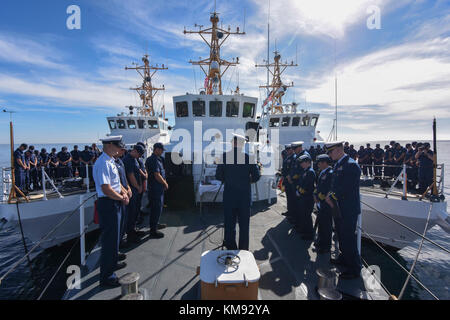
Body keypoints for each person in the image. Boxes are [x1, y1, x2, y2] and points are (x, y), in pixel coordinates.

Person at [93, 136, 129, 288]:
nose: (119, 149)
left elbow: (116, 183)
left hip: (115, 202)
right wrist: (122, 197)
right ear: (108, 145)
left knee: (115, 238)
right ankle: (107, 277)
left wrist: (124, 192)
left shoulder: (111, 161)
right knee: (109, 241)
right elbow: (106, 188)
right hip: (109, 204)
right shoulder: (102, 163)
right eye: (117, 146)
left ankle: (112, 264)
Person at [215, 134, 261, 250]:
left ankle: (231, 250)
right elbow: (256, 176)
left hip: (229, 197)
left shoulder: (224, 157)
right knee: (244, 226)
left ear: (234, 143)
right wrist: (246, 181)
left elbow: (218, 176)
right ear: (242, 144)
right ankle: (244, 251)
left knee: (229, 226)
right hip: (244, 198)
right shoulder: (249, 157)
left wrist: (229, 179)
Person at [325, 141, 362, 279]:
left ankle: (354, 269)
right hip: (338, 208)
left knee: (348, 238)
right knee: (340, 236)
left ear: (340, 149)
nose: (329, 154)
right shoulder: (339, 164)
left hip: (348, 209)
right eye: (328, 152)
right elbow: (335, 184)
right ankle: (344, 258)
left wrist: (332, 196)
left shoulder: (351, 165)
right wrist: (331, 195)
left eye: (331, 151)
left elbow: (347, 187)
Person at [123, 145, 146, 244]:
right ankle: (130, 235)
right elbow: (130, 175)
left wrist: (140, 185)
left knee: (135, 211)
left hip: (136, 189)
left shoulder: (134, 159)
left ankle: (133, 230)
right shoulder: (128, 159)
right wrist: (137, 186)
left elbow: (138, 172)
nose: (139, 156)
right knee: (131, 213)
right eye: (139, 154)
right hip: (132, 190)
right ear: (135, 151)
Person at [146, 142, 170, 239]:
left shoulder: (157, 159)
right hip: (155, 188)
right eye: (160, 150)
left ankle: (156, 224)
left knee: (158, 208)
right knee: (156, 208)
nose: (161, 152)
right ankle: (153, 231)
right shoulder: (153, 160)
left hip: (157, 188)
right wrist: (164, 183)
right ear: (156, 149)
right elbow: (157, 174)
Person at [314, 154, 334, 254]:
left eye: (320, 163)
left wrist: (320, 198)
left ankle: (326, 246)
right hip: (320, 203)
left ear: (325, 163)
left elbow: (329, 190)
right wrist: (316, 197)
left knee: (326, 226)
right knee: (321, 225)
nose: (318, 165)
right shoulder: (322, 172)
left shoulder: (330, 173)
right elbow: (318, 187)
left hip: (326, 204)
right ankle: (320, 242)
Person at [114, 146, 133, 246]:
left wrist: (128, 188)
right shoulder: (111, 163)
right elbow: (116, 182)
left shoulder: (120, 162)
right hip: (118, 196)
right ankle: (118, 244)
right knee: (117, 224)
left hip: (124, 195)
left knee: (123, 220)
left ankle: (121, 240)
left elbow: (124, 178)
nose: (124, 152)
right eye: (122, 150)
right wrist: (125, 193)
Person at [294, 154, 316, 240]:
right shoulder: (304, 171)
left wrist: (300, 192)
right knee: (303, 214)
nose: (301, 164)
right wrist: (298, 190)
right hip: (303, 197)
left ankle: (309, 234)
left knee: (307, 216)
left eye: (302, 162)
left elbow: (308, 186)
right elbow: (300, 182)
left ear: (307, 162)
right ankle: (304, 230)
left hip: (307, 198)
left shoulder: (310, 172)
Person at [281, 145, 295, 217]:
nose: (287, 151)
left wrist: (289, 176)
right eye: (286, 149)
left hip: (290, 180)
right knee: (288, 197)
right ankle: (289, 211)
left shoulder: (294, 157)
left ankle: (292, 213)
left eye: (289, 149)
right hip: (286, 180)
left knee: (292, 198)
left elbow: (292, 169)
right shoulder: (288, 157)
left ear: (292, 149)